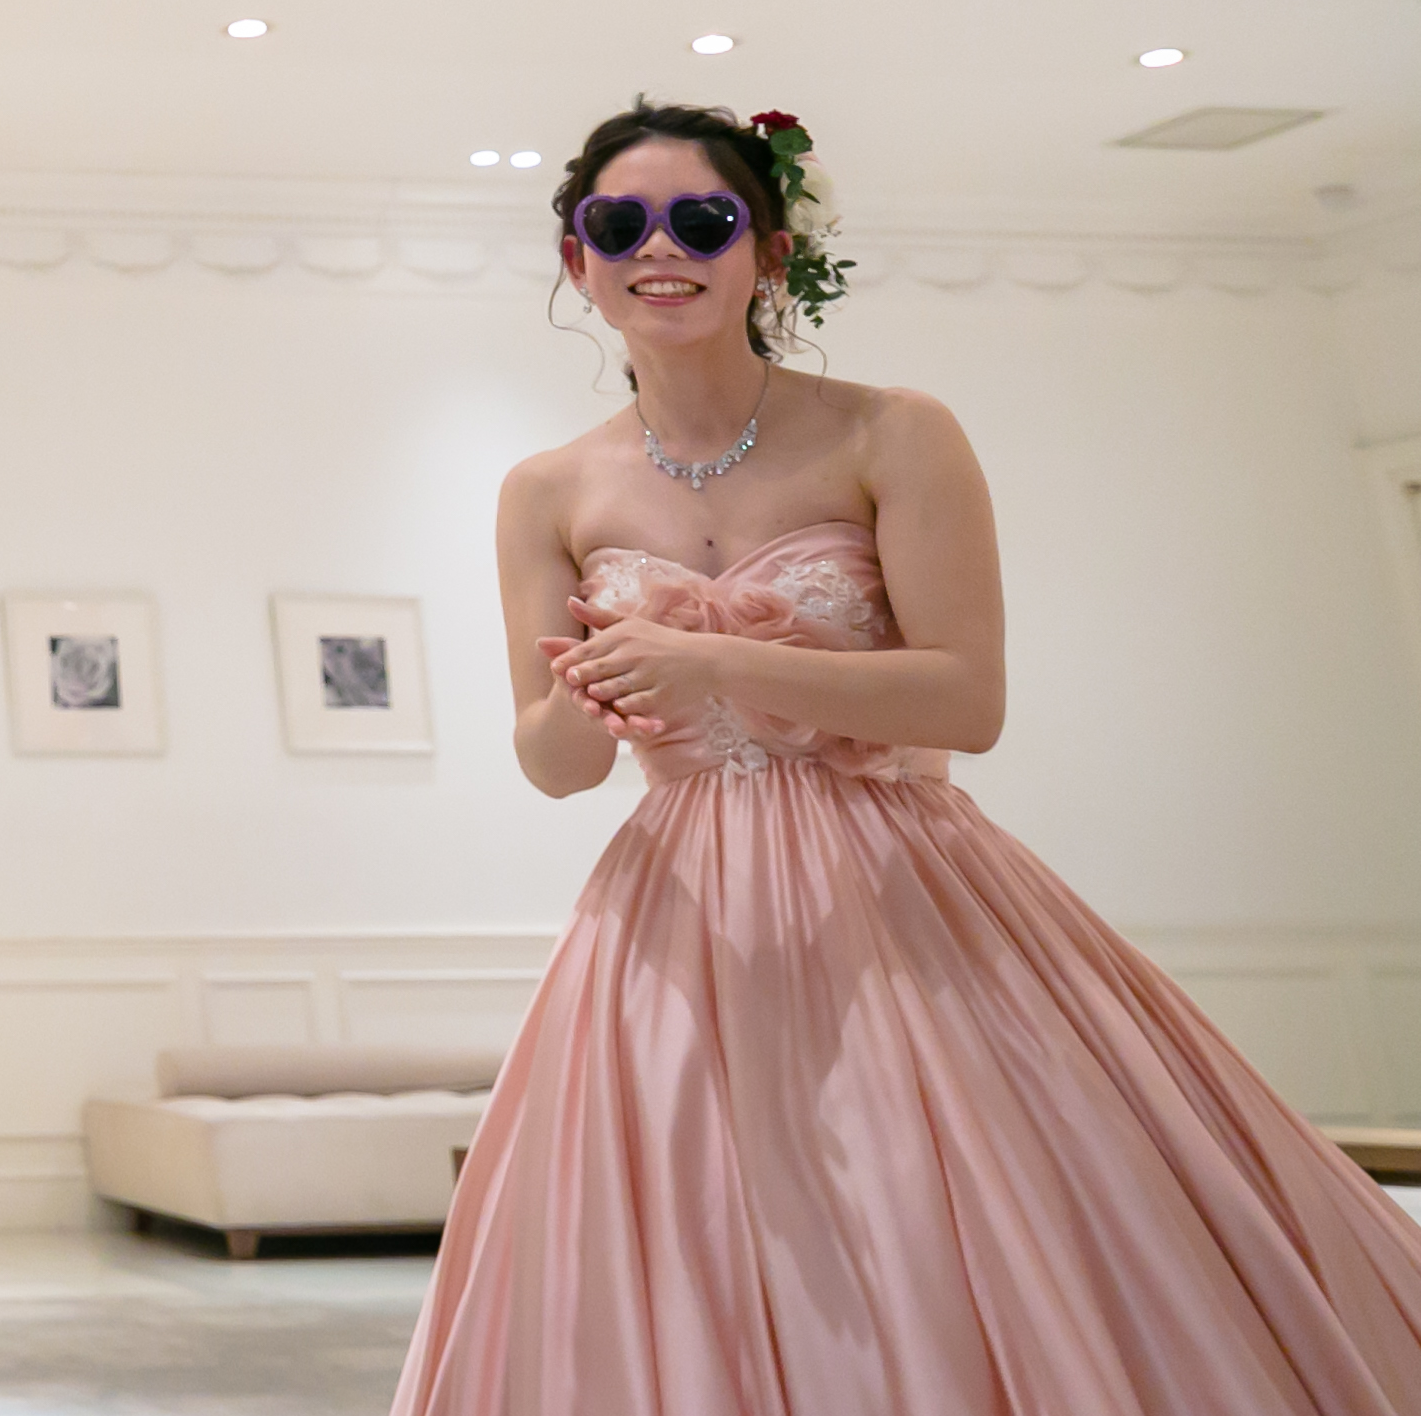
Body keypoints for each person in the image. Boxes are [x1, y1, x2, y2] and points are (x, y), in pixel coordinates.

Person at [394, 98, 1421, 1415]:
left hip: (901, 885)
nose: (660, 248)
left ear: (768, 251)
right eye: (619, 222)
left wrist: (710, 662)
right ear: (574, 261)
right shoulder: (544, 489)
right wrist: (588, 691)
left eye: (702, 218)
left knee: (938, 1220)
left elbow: (964, 700)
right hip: (676, 915)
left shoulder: (891, 430)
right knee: (700, 1240)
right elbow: (553, 765)